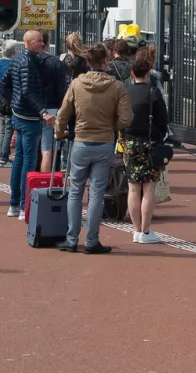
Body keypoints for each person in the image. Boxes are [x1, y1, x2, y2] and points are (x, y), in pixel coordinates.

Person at [54, 43, 131, 254]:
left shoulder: (77, 84)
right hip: (104, 142)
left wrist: (60, 132)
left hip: (80, 140)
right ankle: (91, 239)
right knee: (96, 193)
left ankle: (71, 239)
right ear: (105, 61)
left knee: (75, 191)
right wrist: (111, 125)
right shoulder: (116, 86)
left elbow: (63, 114)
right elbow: (126, 117)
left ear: (88, 62)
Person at [0, 29, 65, 218]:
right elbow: (28, 91)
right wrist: (43, 112)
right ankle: (23, 205)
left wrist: (14, 102)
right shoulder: (28, 62)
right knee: (28, 161)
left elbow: (5, 84)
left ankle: (14, 203)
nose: (43, 44)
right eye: (39, 41)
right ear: (28, 43)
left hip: (19, 115)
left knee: (20, 159)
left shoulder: (17, 60)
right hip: (29, 118)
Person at [123, 48, 170, 244]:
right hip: (151, 143)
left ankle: (135, 230)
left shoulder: (125, 92)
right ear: (149, 72)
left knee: (133, 188)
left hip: (130, 142)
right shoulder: (154, 93)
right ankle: (146, 230)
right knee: (149, 188)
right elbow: (163, 120)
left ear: (132, 73)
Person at [0, 39, 19, 166]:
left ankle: (2, 155)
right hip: (6, 100)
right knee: (8, 128)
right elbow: (6, 84)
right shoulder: (9, 66)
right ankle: (3, 157)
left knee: (4, 128)